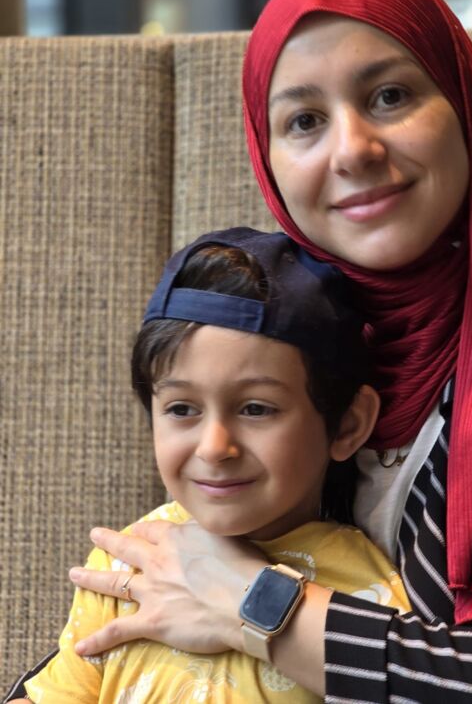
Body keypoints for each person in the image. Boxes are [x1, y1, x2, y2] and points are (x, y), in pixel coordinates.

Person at [13, 0, 472, 702]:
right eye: (305, 120)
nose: (352, 150)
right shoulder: (273, 331)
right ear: (268, 156)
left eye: (390, 96)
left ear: (465, 104)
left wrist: (254, 604)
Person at [16, 228, 410, 703]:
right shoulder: (128, 561)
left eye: (256, 409)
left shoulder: (363, 599)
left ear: (346, 425)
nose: (214, 448)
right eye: (182, 409)